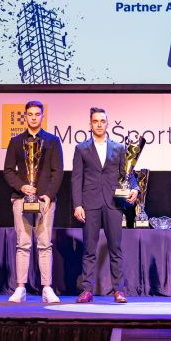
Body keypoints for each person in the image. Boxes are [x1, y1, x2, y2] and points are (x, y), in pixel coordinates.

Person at [71, 107, 138, 303]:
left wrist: (135, 188)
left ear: (107, 124)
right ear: (90, 124)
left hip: (113, 203)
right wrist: (77, 205)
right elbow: (76, 178)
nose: (99, 124)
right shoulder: (81, 148)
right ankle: (87, 290)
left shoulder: (119, 148)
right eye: (95, 121)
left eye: (102, 121)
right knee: (89, 249)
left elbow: (128, 174)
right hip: (90, 203)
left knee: (115, 248)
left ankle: (118, 290)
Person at [2, 101, 64, 304]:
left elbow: (58, 171)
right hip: (21, 199)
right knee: (23, 243)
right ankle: (20, 287)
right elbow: (8, 170)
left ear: (42, 116)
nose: (34, 117)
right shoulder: (16, 141)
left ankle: (47, 288)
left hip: (45, 200)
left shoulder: (53, 141)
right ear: (25, 116)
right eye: (30, 114)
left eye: (38, 114)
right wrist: (22, 186)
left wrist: (48, 195)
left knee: (45, 244)